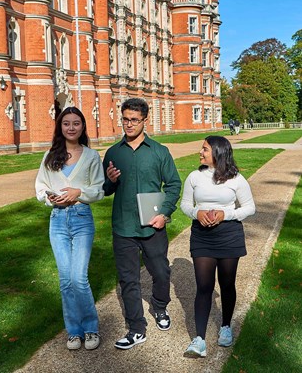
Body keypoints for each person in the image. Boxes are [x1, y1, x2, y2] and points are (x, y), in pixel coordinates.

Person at [103, 98, 181, 350]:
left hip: (152, 225)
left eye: (134, 120)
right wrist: (110, 181)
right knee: (128, 279)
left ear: (144, 121)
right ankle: (136, 328)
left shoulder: (159, 151)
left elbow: (173, 185)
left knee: (161, 272)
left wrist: (165, 213)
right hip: (123, 227)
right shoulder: (113, 153)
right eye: (125, 119)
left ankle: (159, 307)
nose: (129, 124)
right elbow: (105, 190)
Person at [35, 106, 105, 351]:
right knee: (66, 280)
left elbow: (99, 190)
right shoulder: (50, 156)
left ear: (83, 127)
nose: (71, 127)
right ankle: (74, 331)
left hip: (81, 219)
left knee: (79, 278)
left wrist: (79, 192)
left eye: (76, 123)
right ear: (60, 127)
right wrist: (49, 198)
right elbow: (40, 187)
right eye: (66, 123)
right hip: (58, 221)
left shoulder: (91, 156)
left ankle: (91, 327)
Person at [180, 135, 255, 358]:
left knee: (227, 283)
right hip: (202, 236)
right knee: (203, 285)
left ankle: (225, 326)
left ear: (218, 153)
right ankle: (199, 339)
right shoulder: (194, 176)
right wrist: (197, 213)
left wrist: (226, 214)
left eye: (204, 149)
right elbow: (185, 204)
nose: (200, 152)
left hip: (229, 235)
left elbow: (249, 207)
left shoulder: (236, 179)